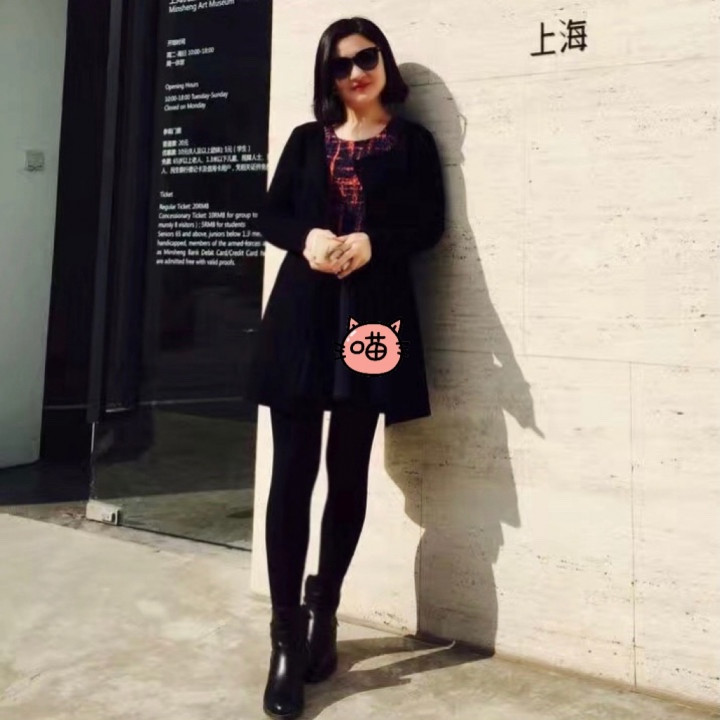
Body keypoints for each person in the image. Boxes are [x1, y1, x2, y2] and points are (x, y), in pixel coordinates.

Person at [245, 16, 446, 720]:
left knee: (349, 469)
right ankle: (285, 638)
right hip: (302, 318)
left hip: (371, 320)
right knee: (292, 475)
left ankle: (323, 610)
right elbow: (270, 216)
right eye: (341, 64)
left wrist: (371, 242)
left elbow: (429, 225)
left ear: (384, 61)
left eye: (366, 58)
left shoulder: (412, 143)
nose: (356, 73)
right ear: (326, 75)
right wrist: (308, 237)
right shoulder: (307, 141)